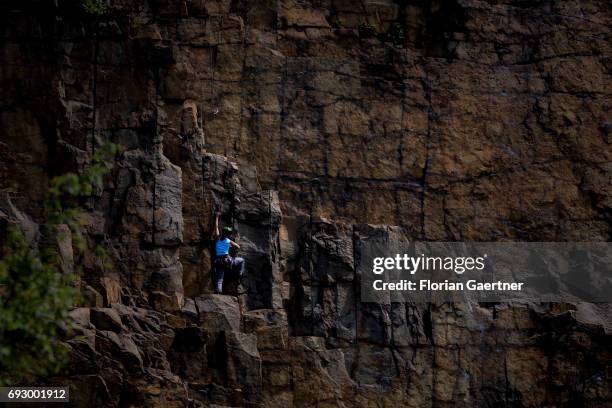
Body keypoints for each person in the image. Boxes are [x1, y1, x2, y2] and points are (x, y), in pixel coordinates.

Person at [212, 212, 245, 294]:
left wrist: (216, 217)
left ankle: (218, 292)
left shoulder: (217, 238)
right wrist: (230, 246)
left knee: (219, 278)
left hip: (218, 261)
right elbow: (238, 247)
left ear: (222, 232)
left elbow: (216, 226)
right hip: (227, 260)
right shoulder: (228, 241)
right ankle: (240, 275)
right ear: (228, 234)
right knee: (241, 260)